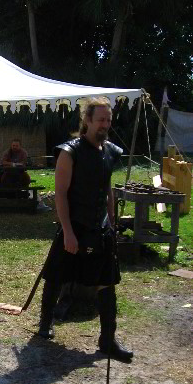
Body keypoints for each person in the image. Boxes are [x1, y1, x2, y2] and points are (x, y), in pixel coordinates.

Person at [38, 96, 133, 362]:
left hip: (100, 227)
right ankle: (45, 324)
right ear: (87, 121)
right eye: (100, 119)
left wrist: (111, 223)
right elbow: (60, 194)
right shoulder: (70, 152)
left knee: (107, 282)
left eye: (108, 120)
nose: (105, 124)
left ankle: (108, 340)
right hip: (74, 225)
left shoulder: (111, 152)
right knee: (56, 275)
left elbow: (107, 190)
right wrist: (67, 231)